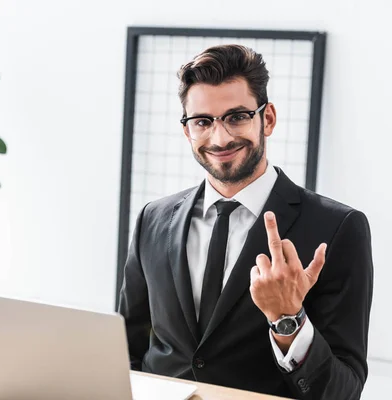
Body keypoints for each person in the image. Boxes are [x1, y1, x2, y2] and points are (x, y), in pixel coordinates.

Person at [117, 44, 373, 400]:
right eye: (202, 121)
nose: (220, 138)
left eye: (237, 116)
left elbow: (343, 392)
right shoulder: (152, 220)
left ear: (267, 118)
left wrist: (288, 319)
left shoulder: (339, 228)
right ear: (187, 130)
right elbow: (125, 352)